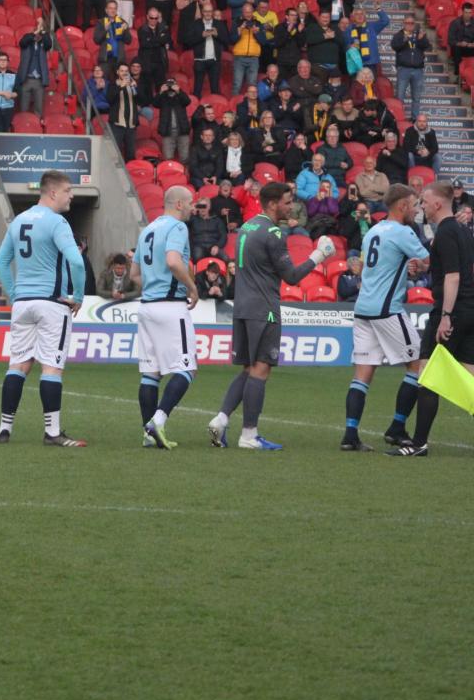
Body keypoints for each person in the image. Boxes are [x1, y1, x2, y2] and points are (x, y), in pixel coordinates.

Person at [208, 182, 337, 449]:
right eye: (287, 202)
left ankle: (221, 419)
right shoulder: (273, 233)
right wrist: (318, 255)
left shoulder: (247, 227)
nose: (291, 207)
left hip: (242, 307)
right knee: (261, 368)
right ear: (272, 204)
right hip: (263, 309)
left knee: (248, 368)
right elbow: (291, 276)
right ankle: (249, 435)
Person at [0, 170, 86, 446]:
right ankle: (52, 433)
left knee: (18, 365)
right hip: (52, 303)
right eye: (68, 190)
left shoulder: (19, 220)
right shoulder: (57, 222)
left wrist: (15, 294)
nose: (71, 196)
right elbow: (76, 262)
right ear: (53, 192)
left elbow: (1, 261)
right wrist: (79, 296)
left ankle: (4, 430)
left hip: (23, 303)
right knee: (51, 367)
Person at [391, 181, 474, 456]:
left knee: (427, 376)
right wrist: (426, 266)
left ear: (437, 204)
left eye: (424, 202)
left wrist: (446, 316)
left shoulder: (447, 231)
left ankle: (418, 444)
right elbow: (455, 266)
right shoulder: (461, 230)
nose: (421, 207)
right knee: (470, 379)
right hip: (469, 309)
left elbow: (453, 276)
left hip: (452, 311)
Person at [130, 185, 198, 448]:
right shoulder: (177, 227)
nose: (193, 207)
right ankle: (156, 422)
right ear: (179, 204)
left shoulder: (148, 229)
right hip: (170, 307)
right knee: (187, 368)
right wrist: (192, 287)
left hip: (147, 307)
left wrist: (153, 284)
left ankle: (148, 436)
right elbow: (173, 261)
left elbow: (135, 274)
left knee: (151, 374)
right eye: (190, 202)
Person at [390, 16, 428, 122]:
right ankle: (399, 117)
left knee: (416, 97)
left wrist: (421, 40)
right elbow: (395, 47)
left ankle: (415, 119)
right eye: (407, 23)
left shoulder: (419, 34)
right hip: (403, 69)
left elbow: (426, 46)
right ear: (403, 24)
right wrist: (404, 40)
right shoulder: (399, 35)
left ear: (414, 24)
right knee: (400, 96)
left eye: (412, 23)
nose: (409, 25)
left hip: (418, 70)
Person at [15, 19, 51, 118]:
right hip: (26, 79)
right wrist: (36, 32)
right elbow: (23, 42)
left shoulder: (43, 43)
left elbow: (49, 43)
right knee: (23, 108)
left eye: (40, 32)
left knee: (38, 109)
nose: (38, 34)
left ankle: (36, 125)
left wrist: (42, 31)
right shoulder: (26, 42)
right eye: (37, 31)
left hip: (39, 80)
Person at [106, 63, 140, 161]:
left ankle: (130, 170)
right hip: (118, 125)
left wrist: (136, 88)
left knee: (131, 154)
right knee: (115, 154)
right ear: (117, 72)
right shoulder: (113, 85)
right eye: (122, 71)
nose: (124, 73)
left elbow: (143, 100)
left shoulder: (133, 85)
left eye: (126, 71)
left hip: (131, 125)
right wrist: (121, 86)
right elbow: (109, 99)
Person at [188, 1, 223, 94]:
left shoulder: (218, 24)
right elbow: (188, 41)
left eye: (210, 11)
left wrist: (217, 35)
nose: (208, 13)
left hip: (214, 61)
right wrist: (201, 36)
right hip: (199, 60)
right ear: (202, 12)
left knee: (215, 89)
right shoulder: (195, 24)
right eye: (206, 11)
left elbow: (226, 40)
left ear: (212, 12)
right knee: (197, 89)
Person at [136, 9, 171, 100]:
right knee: (147, 89)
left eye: (156, 18)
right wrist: (160, 40)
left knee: (161, 89)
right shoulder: (142, 29)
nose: (154, 20)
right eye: (152, 18)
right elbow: (145, 44)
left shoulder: (163, 28)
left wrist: (151, 40)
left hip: (160, 62)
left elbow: (166, 39)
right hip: (146, 63)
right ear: (147, 17)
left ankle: (160, 105)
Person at [230, 2, 264, 95]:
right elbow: (231, 40)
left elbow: (263, 41)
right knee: (237, 84)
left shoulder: (258, 23)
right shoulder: (236, 22)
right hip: (239, 57)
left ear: (253, 12)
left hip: (253, 58)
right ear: (242, 12)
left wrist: (257, 33)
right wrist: (239, 31)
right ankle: (234, 103)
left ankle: (252, 103)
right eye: (246, 12)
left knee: (252, 85)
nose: (248, 14)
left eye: (250, 12)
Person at [346, 6, 389, 76]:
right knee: (356, 83)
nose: (359, 16)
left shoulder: (372, 26)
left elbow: (385, 21)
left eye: (362, 14)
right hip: (355, 62)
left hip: (370, 63)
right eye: (357, 14)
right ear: (353, 17)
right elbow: (344, 44)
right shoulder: (349, 29)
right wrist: (349, 46)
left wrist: (378, 9)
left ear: (365, 16)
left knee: (370, 82)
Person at [448, 3, 474, 74]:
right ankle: (458, 73)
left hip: (470, 48)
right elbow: (450, 40)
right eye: (466, 12)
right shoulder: (455, 23)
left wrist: (472, 44)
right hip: (459, 48)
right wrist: (460, 43)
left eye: (470, 13)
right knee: (456, 48)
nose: (468, 15)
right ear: (462, 12)